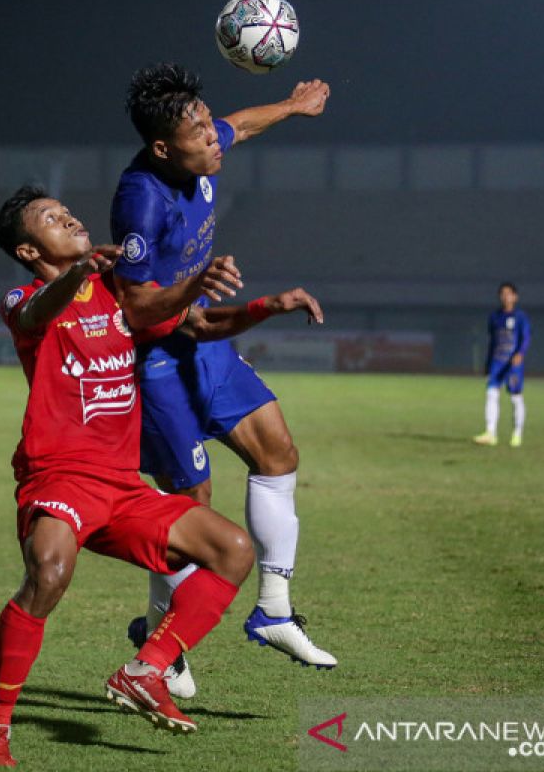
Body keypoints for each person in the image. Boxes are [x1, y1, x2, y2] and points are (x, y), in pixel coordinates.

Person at [0, 186, 325, 766]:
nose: (70, 217)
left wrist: (267, 306)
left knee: (231, 549)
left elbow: (200, 325)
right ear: (31, 252)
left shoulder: (120, 293)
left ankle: (147, 670)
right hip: (59, 476)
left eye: (67, 211)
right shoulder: (24, 297)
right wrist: (78, 271)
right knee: (49, 574)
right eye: (54, 220)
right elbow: (37, 314)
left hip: (123, 483)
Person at [108, 62, 337, 694]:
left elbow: (240, 124)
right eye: (199, 131)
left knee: (278, 451)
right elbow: (132, 309)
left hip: (202, 341)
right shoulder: (140, 201)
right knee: (191, 514)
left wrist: (292, 106)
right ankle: (160, 646)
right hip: (156, 359)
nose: (215, 137)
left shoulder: (202, 152)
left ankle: (273, 609)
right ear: (162, 148)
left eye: (209, 124)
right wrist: (191, 289)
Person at [473, 282, 531, 447]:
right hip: (497, 362)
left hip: (513, 364)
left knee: (515, 398)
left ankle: (517, 433)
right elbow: (493, 341)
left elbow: (526, 338)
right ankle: (490, 432)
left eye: (508, 294)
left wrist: (520, 353)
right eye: (502, 294)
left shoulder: (521, 317)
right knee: (491, 393)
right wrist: (487, 362)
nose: (505, 297)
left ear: (515, 297)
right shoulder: (494, 317)